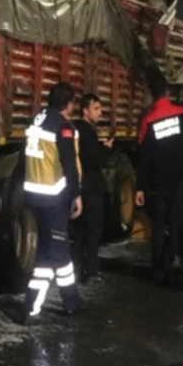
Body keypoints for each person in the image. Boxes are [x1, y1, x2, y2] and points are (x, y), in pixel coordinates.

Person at [19, 81, 86, 324]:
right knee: (57, 251)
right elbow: (69, 164)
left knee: (49, 251)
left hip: (34, 194)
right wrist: (76, 195)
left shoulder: (35, 121)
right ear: (68, 105)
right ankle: (39, 306)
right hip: (53, 195)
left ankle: (67, 301)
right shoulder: (63, 127)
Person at [136, 73, 183, 284]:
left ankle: (157, 267)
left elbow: (143, 157)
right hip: (179, 179)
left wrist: (140, 187)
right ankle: (171, 261)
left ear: (153, 96)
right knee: (175, 222)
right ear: (168, 93)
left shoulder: (148, 121)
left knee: (159, 225)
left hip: (157, 183)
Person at [72, 93, 112, 283]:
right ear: (85, 110)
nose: (100, 112)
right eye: (96, 108)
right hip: (93, 189)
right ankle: (92, 271)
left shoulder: (74, 129)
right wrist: (106, 149)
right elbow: (95, 161)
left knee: (79, 232)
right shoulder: (88, 131)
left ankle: (77, 270)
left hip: (79, 188)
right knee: (93, 232)